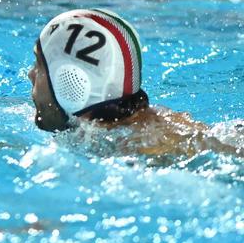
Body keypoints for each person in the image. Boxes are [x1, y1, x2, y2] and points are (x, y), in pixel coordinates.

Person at [28, 8, 241, 156]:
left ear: (71, 82)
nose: (31, 74)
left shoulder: (131, 148)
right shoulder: (137, 123)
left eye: (39, 64)